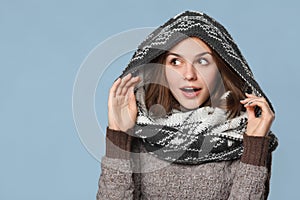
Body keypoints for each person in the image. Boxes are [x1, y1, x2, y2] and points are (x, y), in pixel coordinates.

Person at [97, 11, 278, 199]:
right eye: (176, 61)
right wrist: (118, 134)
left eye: (202, 61)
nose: (189, 74)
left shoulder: (245, 133)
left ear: (220, 69)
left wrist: (255, 145)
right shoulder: (141, 127)